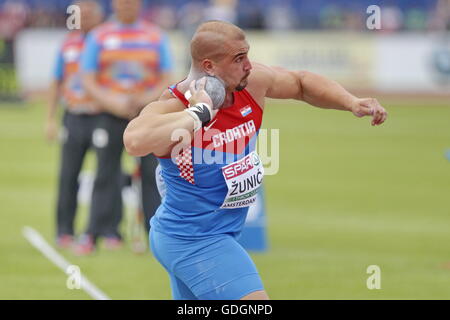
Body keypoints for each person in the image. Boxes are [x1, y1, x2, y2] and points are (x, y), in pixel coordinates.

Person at [123, 20, 387, 300]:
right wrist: (200, 113)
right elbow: (134, 140)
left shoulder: (251, 84)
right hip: (192, 239)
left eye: (247, 54)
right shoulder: (175, 104)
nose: (248, 65)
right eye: (238, 59)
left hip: (215, 233)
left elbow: (300, 83)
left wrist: (351, 102)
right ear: (209, 66)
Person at [75, 0, 173, 254]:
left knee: (152, 174)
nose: (127, 5)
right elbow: (87, 77)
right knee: (105, 172)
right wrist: (113, 102)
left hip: (147, 115)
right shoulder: (99, 35)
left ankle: (155, 234)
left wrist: (144, 99)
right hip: (110, 115)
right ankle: (97, 232)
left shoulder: (154, 35)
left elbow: (167, 76)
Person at [45, 0, 104, 249]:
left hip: (101, 114)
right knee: (69, 174)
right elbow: (56, 81)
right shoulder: (68, 44)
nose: (85, 18)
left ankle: (102, 230)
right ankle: (64, 230)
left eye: (89, 13)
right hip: (73, 115)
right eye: (81, 14)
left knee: (106, 175)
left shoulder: (106, 42)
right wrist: (49, 119)